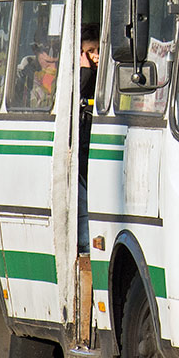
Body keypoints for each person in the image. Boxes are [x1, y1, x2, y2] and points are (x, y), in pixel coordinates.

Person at [77, 24, 99, 252]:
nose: (96, 56)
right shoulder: (83, 75)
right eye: (90, 51)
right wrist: (85, 71)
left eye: (98, 50)